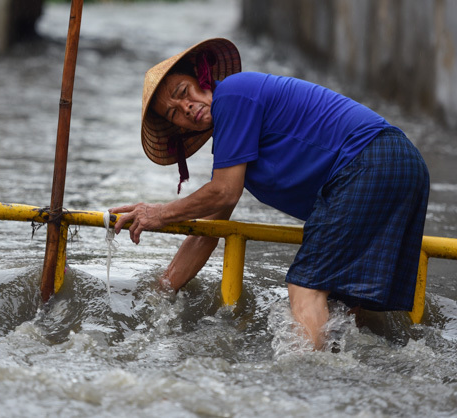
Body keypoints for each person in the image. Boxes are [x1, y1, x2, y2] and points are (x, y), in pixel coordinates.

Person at [109, 38, 429, 349]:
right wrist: (162, 289)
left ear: (203, 77)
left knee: (305, 286)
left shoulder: (233, 94)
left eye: (184, 92)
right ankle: (347, 387)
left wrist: (160, 213)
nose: (186, 106)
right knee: (341, 308)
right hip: (401, 164)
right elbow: (207, 231)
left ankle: (310, 384)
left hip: (372, 160)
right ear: (179, 129)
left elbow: (223, 193)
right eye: (174, 112)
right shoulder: (235, 143)